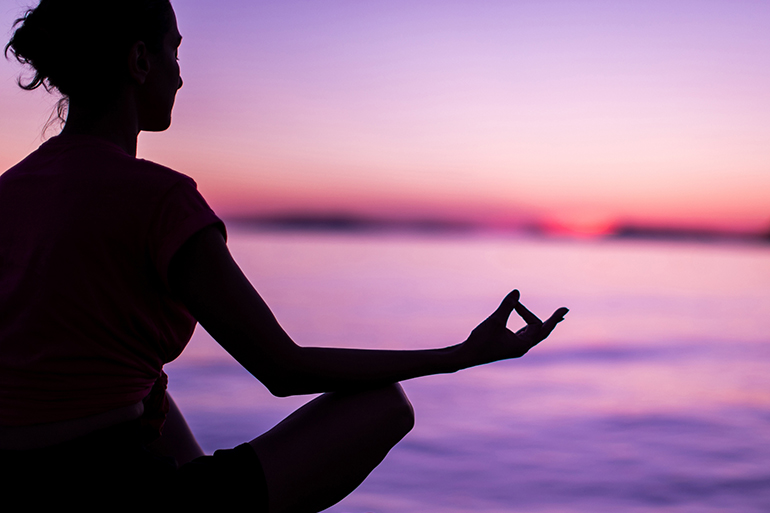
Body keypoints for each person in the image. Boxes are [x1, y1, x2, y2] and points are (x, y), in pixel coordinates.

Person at [0, 1, 568, 511]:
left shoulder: (11, 189)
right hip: (116, 488)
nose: (180, 73)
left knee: (151, 387)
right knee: (384, 406)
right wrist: (463, 354)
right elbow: (283, 369)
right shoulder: (159, 199)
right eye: (174, 50)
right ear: (140, 61)